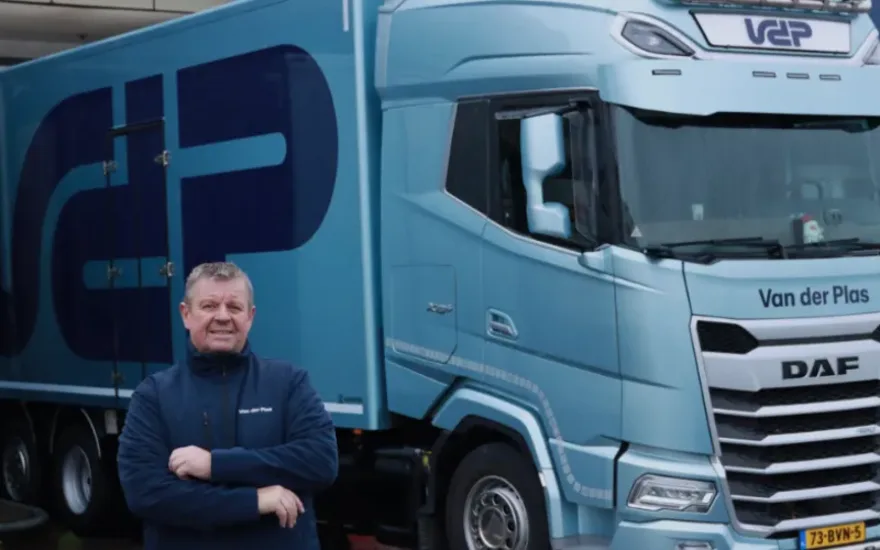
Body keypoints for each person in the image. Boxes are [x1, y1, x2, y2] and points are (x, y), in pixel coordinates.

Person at [117, 261, 338, 550]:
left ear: (250, 316)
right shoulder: (153, 395)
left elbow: (320, 462)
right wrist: (254, 501)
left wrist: (215, 465)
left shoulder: (289, 383)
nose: (223, 316)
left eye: (234, 307)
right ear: (186, 314)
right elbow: (146, 493)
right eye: (209, 306)